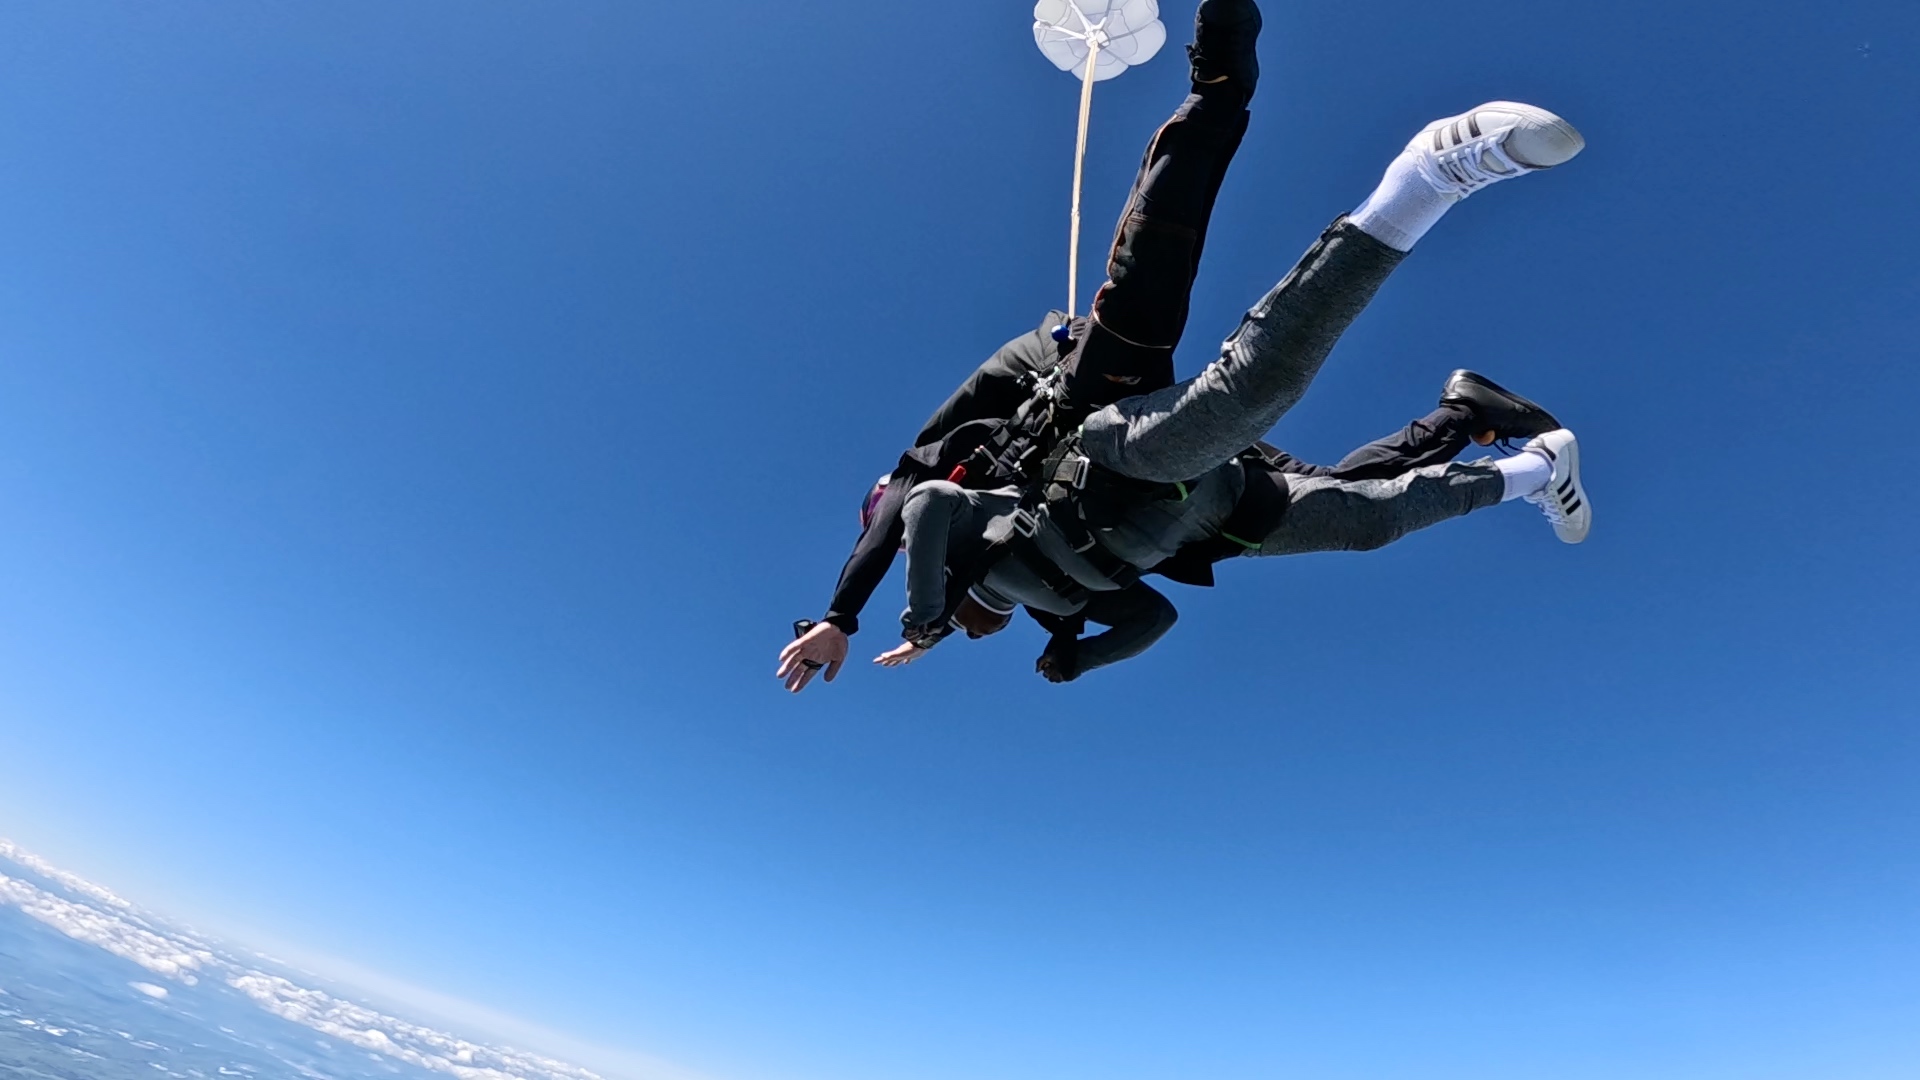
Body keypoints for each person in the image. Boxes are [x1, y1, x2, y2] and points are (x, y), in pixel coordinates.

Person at [780, 97, 1592, 691]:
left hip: (1116, 463)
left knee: (1253, 391)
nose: (975, 631)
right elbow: (1154, 618)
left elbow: (920, 506)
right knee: (1368, 519)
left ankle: (1425, 178)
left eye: (966, 623)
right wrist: (1074, 656)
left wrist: (903, 618)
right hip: (1215, 515)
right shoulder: (1054, 607)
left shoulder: (965, 537)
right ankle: (1533, 467)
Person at [777, 0, 1267, 692]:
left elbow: (892, 527)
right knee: (1294, 491)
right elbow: (1080, 606)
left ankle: (1217, 82)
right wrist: (1062, 652)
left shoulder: (925, 477)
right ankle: (1436, 436)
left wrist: (842, 617)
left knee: (1152, 272)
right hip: (1126, 451)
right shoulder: (1000, 554)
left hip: (1069, 377)